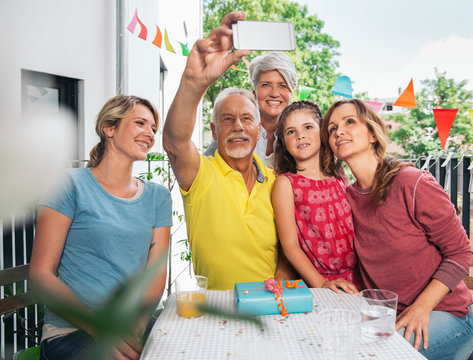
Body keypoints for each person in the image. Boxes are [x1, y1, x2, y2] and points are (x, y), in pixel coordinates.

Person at [321, 99, 473, 359]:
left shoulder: (412, 183)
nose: (338, 132)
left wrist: (420, 308)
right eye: (332, 128)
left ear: (372, 133)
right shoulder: (345, 197)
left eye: (350, 122)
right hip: (384, 315)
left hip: (444, 315)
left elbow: (461, 253)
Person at [30, 95, 172, 360]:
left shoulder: (158, 196)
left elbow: (155, 273)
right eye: (140, 123)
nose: (150, 134)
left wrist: (141, 320)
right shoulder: (67, 184)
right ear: (109, 128)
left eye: (153, 128)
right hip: (72, 330)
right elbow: (41, 275)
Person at [163, 12, 295, 291]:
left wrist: (281, 279)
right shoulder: (202, 174)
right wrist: (193, 82)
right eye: (227, 119)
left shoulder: (277, 181)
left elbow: (288, 243)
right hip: (216, 310)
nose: (237, 127)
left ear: (259, 129)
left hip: (270, 306)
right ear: (213, 130)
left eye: (247, 119)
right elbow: (175, 142)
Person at [272, 100, 360, 294]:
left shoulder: (339, 178)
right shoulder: (285, 184)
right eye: (291, 132)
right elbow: (290, 246)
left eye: (308, 127)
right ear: (284, 144)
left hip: (358, 278)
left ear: (322, 133)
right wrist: (321, 284)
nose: (300, 135)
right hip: (319, 283)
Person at [204, 51, 297, 166]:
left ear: (291, 93)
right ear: (254, 91)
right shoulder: (235, 129)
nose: (274, 93)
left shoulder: (299, 134)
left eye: (282, 85)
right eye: (266, 85)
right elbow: (202, 169)